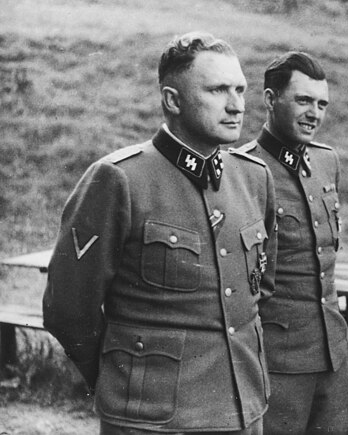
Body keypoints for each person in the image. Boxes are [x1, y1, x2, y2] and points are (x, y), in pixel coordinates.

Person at [42, 32, 277, 435]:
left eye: (240, 89)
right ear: (172, 100)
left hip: (243, 409)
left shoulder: (254, 177)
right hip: (150, 419)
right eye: (218, 90)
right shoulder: (119, 180)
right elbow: (68, 308)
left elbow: (260, 291)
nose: (236, 104)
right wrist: (123, 380)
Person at [237, 51, 348, 434]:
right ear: (271, 100)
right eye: (303, 101)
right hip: (277, 361)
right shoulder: (242, 172)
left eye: (321, 104)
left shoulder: (326, 161)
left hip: (333, 353)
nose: (314, 114)